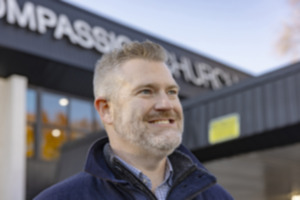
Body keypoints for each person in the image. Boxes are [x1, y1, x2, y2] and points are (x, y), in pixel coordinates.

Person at [34, 41, 233, 200]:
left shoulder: (217, 197)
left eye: (172, 92)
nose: (166, 104)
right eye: (146, 91)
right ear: (106, 110)